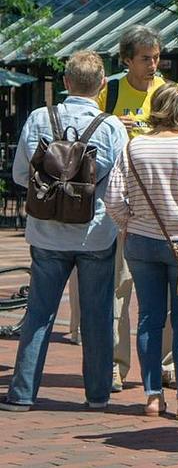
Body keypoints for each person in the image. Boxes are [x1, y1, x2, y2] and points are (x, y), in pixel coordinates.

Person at [0, 50, 128, 412]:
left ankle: (22, 393)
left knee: (39, 313)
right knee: (97, 314)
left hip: (46, 232)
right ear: (102, 85)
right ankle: (97, 394)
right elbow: (120, 186)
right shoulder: (111, 127)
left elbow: (21, 175)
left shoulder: (40, 117)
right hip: (95, 232)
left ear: (66, 82)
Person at [104, 83, 178, 418]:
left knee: (149, 318)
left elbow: (113, 199)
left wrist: (129, 223)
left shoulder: (134, 147)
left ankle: (152, 396)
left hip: (142, 240)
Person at [97, 24, 170, 392]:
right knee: (119, 288)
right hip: (123, 202)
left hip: (161, 203)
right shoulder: (109, 93)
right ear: (126, 60)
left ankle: (166, 363)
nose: (152, 65)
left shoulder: (166, 92)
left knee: (168, 289)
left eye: (156, 57)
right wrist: (112, 125)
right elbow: (91, 138)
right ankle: (115, 364)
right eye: (145, 58)